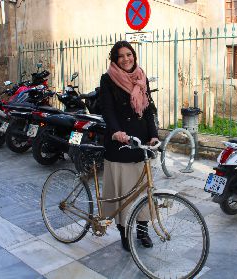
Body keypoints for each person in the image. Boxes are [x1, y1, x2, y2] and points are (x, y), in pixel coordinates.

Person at [98, 41, 158, 252]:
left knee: (143, 192)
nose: (126, 59)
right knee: (124, 194)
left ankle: (142, 231)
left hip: (140, 145)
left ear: (134, 55)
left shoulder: (141, 77)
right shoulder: (107, 79)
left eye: (129, 54)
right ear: (115, 60)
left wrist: (153, 136)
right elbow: (108, 110)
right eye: (121, 56)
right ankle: (124, 233)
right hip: (120, 144)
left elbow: (148, 109)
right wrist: (116, 132)